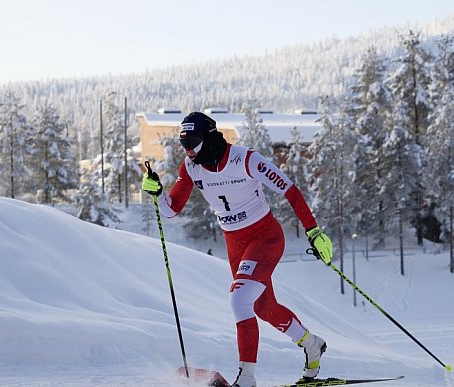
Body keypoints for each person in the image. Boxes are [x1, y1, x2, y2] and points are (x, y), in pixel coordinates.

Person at [142, 112, 333, 387]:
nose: (188, 150)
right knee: (263, 307)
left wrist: (314, 232)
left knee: (239, 299)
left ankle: (247, 380)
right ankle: (312, 344)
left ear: (208, 137)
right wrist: (157, 193)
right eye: (183, 143)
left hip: (265, 237)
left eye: (193, 142)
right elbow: (171, 210)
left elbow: (290, 190)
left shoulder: (245, 159)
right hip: (235, 244)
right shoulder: (191, 167)